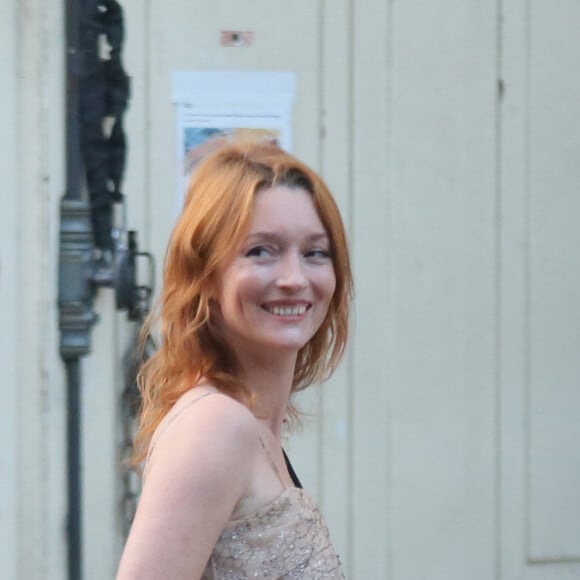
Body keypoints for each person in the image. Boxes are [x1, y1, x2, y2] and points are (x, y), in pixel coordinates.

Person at [116, 142, 353, 579]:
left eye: (315, 253)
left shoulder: (249, 423)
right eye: (261, 251)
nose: (293, 279)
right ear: (204, 275)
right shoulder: (216, 426)